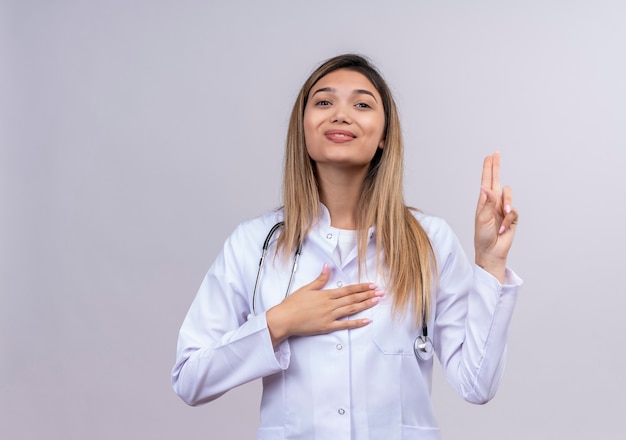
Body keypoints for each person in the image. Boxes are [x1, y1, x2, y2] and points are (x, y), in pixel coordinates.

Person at [171, 53, 522, 439]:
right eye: (323, 102)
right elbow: (190, 378)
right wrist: (280, 323)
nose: (340, 115)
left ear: (385, 134)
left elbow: (477, 385)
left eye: (362, 104)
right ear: (302, 128)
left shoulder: (429, 242)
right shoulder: (254, 244)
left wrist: (490, 265)